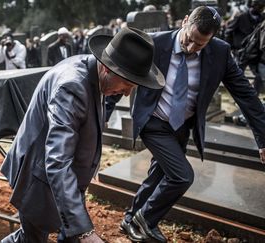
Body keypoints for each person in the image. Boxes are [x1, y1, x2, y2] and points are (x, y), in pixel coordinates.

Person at [108, 7, 265, 242]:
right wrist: (98, 120)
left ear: (212, 38)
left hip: (181, 125)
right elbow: (121, 75)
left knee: (160, 172)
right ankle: (145, 219)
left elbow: (246, 96)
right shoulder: (155, 44)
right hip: (154, 121)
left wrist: (263, 138)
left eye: (200, 45)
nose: (191, 48)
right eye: (189, 39)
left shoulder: (220, 52)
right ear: (184, 22)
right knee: (182, 176)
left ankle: (130, 219)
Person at [0, 27, 165, 243]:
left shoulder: (94, 71)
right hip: (36, 173)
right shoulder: (72, 87)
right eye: (126, 84)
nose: (127, 93)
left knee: (70, 231)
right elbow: (58, 162)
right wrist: (85, 231)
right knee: (31, 238)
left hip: (64, 177)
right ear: (107, 68)